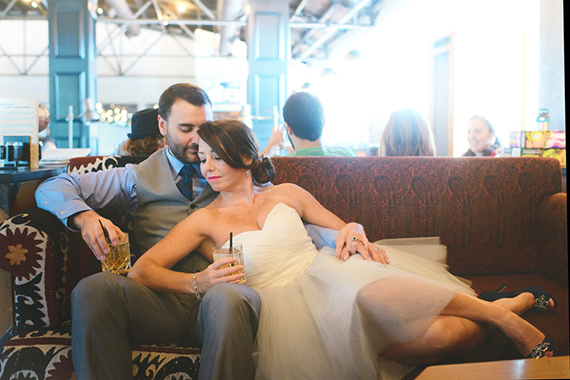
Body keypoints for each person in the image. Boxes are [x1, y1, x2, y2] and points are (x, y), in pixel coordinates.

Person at [130, 119, 557, 380]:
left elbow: (342, 227)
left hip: (330, 275)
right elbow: (142, 270)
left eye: (215, 157)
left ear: (244, 156)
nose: (206, 168)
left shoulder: (287, 192)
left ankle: (507, 318)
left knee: (370, 293)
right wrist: (198, 281)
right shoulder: (203, 220)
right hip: (283, 311)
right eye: (201, 158)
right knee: (444, 336)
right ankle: (508, 306)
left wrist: (352, 230)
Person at [35, 83, 261, 380]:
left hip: (217, 304)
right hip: (156, 303)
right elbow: (52, 187)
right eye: (186, 128)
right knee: (93, 289)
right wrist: (84, 217)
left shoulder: (234, 173)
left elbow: (284, 214)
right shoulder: (134, 176)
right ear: (162, 125)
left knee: (229, 298)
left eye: (203, 128)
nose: (198, 140)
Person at [261, 91, 358, 157]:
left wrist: (273, 146)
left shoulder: (279, 165)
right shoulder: (349, 156)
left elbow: (249, 174)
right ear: (323, 121)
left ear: (289, 128)